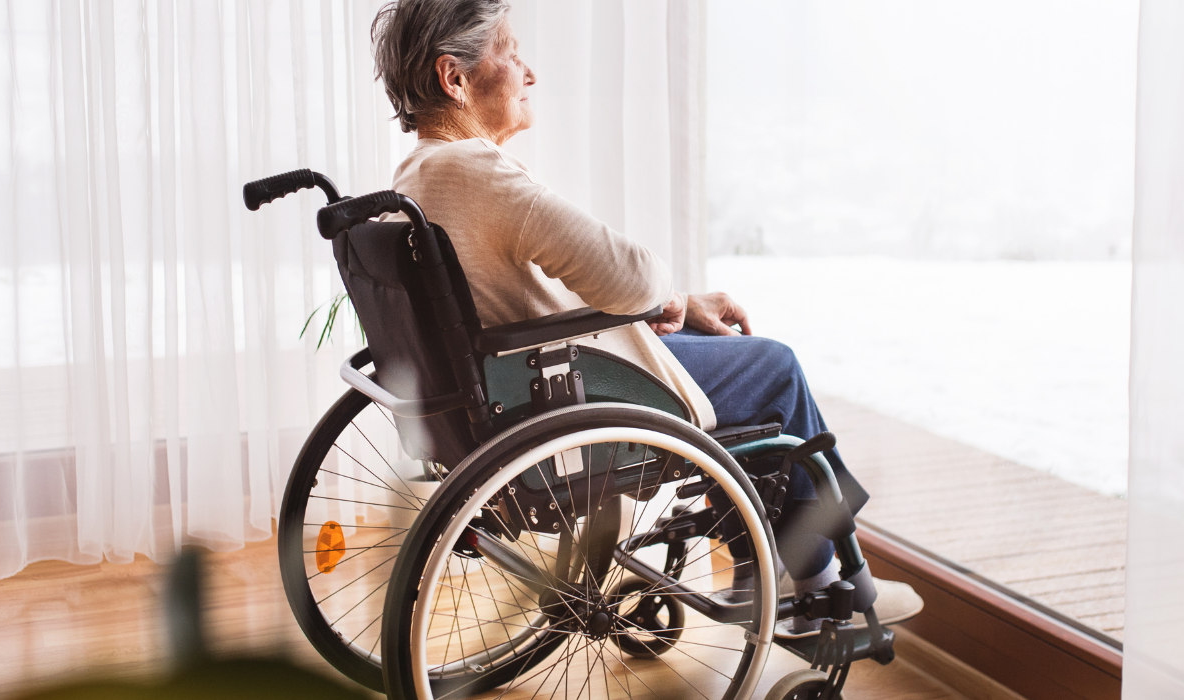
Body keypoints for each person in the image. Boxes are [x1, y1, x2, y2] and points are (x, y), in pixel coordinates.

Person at [371, 0, 918, 637]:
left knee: (717, 353)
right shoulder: (477, 173)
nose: (529, 72)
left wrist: (673, 307)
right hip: (563, 392)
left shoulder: (414, 176)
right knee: (773, 367)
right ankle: (828, 582)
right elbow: (628, 275)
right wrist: (667, 298)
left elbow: (560, 295)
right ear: (454, 78)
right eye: (510, 52)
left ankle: (760, 565)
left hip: (519, 383)